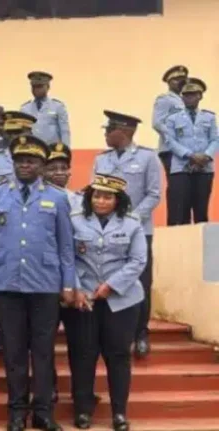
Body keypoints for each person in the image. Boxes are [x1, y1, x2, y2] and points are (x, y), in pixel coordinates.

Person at [0, 135, 74, 431]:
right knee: (14, 351)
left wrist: (68, 283)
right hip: (7, 284)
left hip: (45, 285)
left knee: (44, 351)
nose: (25, 164)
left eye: (32, 160)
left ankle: (44, 411)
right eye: (21, 159)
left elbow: (65, 246)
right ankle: (16, 411)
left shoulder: (58, 198)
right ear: (13, 162)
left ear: (42, 165)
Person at [66, 174, 147, 431]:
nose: (101, 200)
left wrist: (110, 286)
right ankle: (83, 412)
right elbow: (67, 258)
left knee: (118, 355)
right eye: (97, 195)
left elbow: (138, 261)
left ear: (118, 199)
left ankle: (119, 413)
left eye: (107, 196)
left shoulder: (132, 223)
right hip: (84, 299)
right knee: (82, 355)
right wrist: (78, 288)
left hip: (122, 300)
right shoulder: (75, 221)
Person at [91, 110, 162, 358]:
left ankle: (141, 333)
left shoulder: (147, 157)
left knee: (140, 281)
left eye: (110, 130)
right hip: (106, 231)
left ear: (125, 131)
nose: (106, 134)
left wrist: (130, 218)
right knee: (109, 278)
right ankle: (113, 334)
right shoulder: (102, 160)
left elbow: (154, 194)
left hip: (139, 230)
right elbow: (94, 192)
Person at [163, 77, 217, 226]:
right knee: (180, 212)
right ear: (182, 97)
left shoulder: (209, 117)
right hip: (181, 169)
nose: (189, 98)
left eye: (193, 94)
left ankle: (204, 248)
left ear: (200, 96)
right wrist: (190, 155)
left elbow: (215, 139)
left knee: (201, 212)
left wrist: (206, 156)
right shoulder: (172, 118)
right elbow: (170, 141)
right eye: (186, 95)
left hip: (204, 169)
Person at [152, 65, 188, 175]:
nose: (181, 83)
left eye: (183, 80)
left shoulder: (185, 100)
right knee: (176, 185)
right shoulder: (165, 99)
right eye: (177, 80)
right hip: (170, 150)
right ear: (169, 82)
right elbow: (157, 123)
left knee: (185, 186)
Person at [20, 72, 71, 147]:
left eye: (40, 86)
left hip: (52, 151)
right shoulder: (25, 108)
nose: (36, 90)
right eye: (34, 87)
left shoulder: (58, 106)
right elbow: (22, 132)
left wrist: (65, 152)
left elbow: (64, 132)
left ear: (48, 87)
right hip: (32, 151)